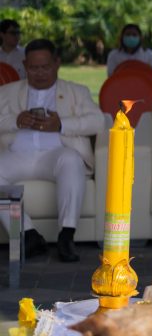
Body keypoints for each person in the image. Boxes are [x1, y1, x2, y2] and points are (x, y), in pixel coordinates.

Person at [0, 39, 104, 262]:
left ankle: (67, 235)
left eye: (45, 67)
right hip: (18, 154)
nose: (39, 73)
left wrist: (61, 124)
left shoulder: (76, 91)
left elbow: (98, 121)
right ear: (25, 65)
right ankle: (27, 234)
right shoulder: (7, 92)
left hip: (55, 154)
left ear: (57, 64)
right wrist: (15, 120)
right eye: (34, 68)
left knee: (71, 159)